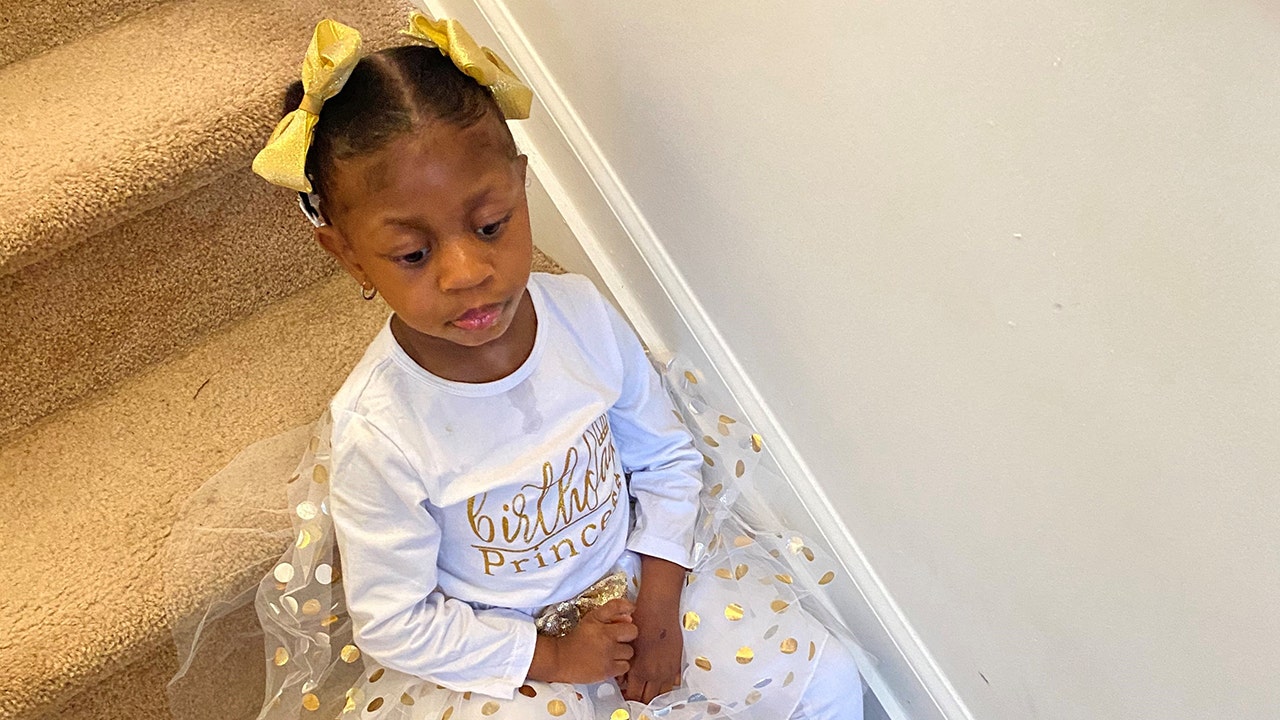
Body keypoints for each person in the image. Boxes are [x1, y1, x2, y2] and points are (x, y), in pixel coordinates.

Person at [174, 11, 866, 720]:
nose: (468, 272)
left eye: (491, 225)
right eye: (414, 255)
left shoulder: (582, 316)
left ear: (521, 186)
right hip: (500, 642)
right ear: (349, 255)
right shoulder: (381, 433)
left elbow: (664, 458)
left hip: (630, 578)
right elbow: (394, 621)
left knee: (825, 677)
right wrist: (553, 659)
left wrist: (660, 608)